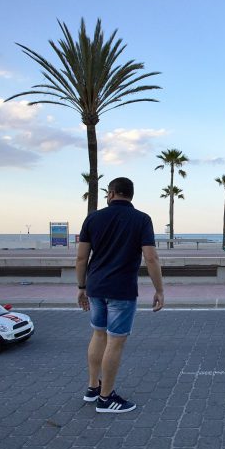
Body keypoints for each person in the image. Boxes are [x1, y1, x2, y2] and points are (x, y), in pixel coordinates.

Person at [76, 177, 165, 414]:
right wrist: (159, 290)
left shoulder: (92, 218)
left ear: (112, 193)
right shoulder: (141, 219)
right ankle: (106, 399)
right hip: (121, 290)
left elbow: (81, 258)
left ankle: (93, 388)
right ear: (130, 195)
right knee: (115, 342)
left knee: (98, 334)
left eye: (107, 193)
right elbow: (151, 257)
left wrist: (81, 287)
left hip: (95, 287)